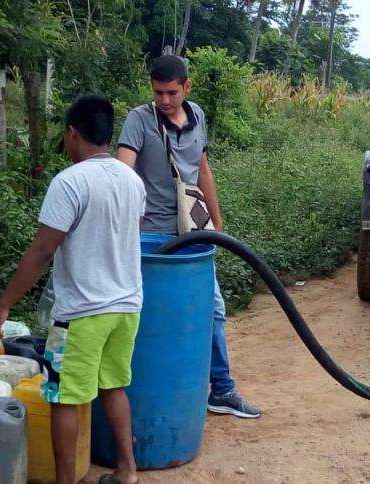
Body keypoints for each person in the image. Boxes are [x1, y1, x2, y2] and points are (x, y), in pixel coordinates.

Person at [0, 95, 146, 484]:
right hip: (127, 307)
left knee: (63, 397)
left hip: (80, 314)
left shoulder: (70, 181)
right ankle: (127, 472)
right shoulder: (132, 180)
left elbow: (42, 250)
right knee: (114, 387)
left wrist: (4, 305)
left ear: (73, 134)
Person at [117, 55, 260, 419]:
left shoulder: (197, 116)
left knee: (212, 309)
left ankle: (221, 389)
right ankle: (134, 391)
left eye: (171, 92)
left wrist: (217, 222)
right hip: (149, 236)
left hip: (192, 232)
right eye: (158, 93)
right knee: (146, 316)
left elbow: (202, 170)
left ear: (186, 86)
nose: (164, 100)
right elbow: (123, 174)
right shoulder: (139, 120)